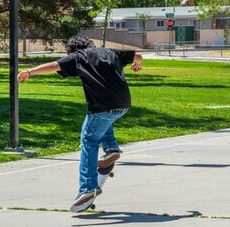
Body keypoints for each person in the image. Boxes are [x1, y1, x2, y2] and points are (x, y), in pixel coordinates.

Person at [17, 35, 143, 212]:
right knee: (102, 120)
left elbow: (54, 65)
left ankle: (88, 188)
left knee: (89, 141)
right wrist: (138, 64)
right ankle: (111, 149)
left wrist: (29, 72)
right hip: (123, 105)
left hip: (102, 106)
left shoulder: (79, 57)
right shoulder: (111, 52)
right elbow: (137, 56)